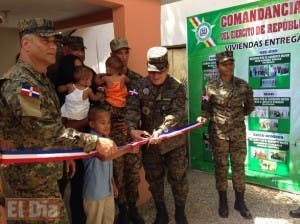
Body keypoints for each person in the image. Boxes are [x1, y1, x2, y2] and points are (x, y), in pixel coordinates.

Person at [0, 18, 122, 223]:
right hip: (28, 186)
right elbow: (45, 132)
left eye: (54, 41)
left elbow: (52, 126)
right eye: (45, 41)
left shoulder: (41, 80)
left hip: (43, 179)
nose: (52, 46)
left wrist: (66, 154)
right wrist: (95, 142)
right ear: (26, 44)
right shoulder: (22, 83)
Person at [126, 46, 189, 224]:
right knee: (154, 180)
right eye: (152, 72)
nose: (155, 76)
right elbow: (131, 109)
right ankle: (161, 212)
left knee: (178, 179)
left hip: (173, 144)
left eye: (159, 72)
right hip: (150, 145)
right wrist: (132, 128)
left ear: (167, 68)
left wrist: (162, 130)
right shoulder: (138, 86)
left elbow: (177, 114)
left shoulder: (177, 87)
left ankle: (180, 212)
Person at [197, 50, 254, 219]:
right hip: (218, 135)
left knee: (238, 167)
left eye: (231, 63)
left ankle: (240, 202)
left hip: (237, 135)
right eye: (224, 64)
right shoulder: (210, 86)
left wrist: (234, 119)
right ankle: (223, 201)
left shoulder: (243, 85)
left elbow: (249, 107)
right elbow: (205, 109)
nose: (229, 66)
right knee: (221, 168)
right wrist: (203, 117)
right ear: (217, 66)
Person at [109, 38, 144, 224]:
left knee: (133, 174)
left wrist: (132, 124)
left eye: (126, 52)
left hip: (132, 137)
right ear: (112, 55)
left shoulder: (137, 79)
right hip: (114, 136)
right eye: (118, 53)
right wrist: (116, 121)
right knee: (117, 174)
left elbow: (143, 106)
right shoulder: (106, 79)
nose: (123, 57)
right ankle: (122, 210)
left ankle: (133, 209)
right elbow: (100, 107)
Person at [82, 106, 118, 224]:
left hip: (108, 190)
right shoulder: (91, 142)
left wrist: (113, 184)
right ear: (92, 124)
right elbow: (104, 157)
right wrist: (127, 149)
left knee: (108, 220)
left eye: (108, 122)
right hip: (95, 193)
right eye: (102, 123)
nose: (107, 126)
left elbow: (109, 166)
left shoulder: (106, 138)